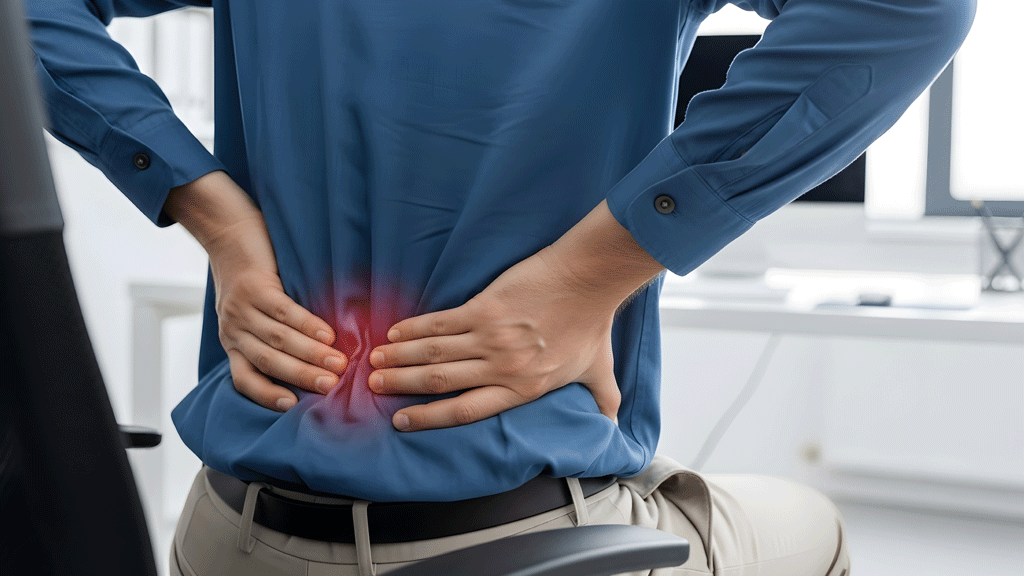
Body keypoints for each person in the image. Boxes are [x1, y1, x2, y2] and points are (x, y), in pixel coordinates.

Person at [26, 0, 974, 574]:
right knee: (810, 527)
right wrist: (590, 275)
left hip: (230, 538)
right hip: (522, 544)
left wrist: (213, 214)